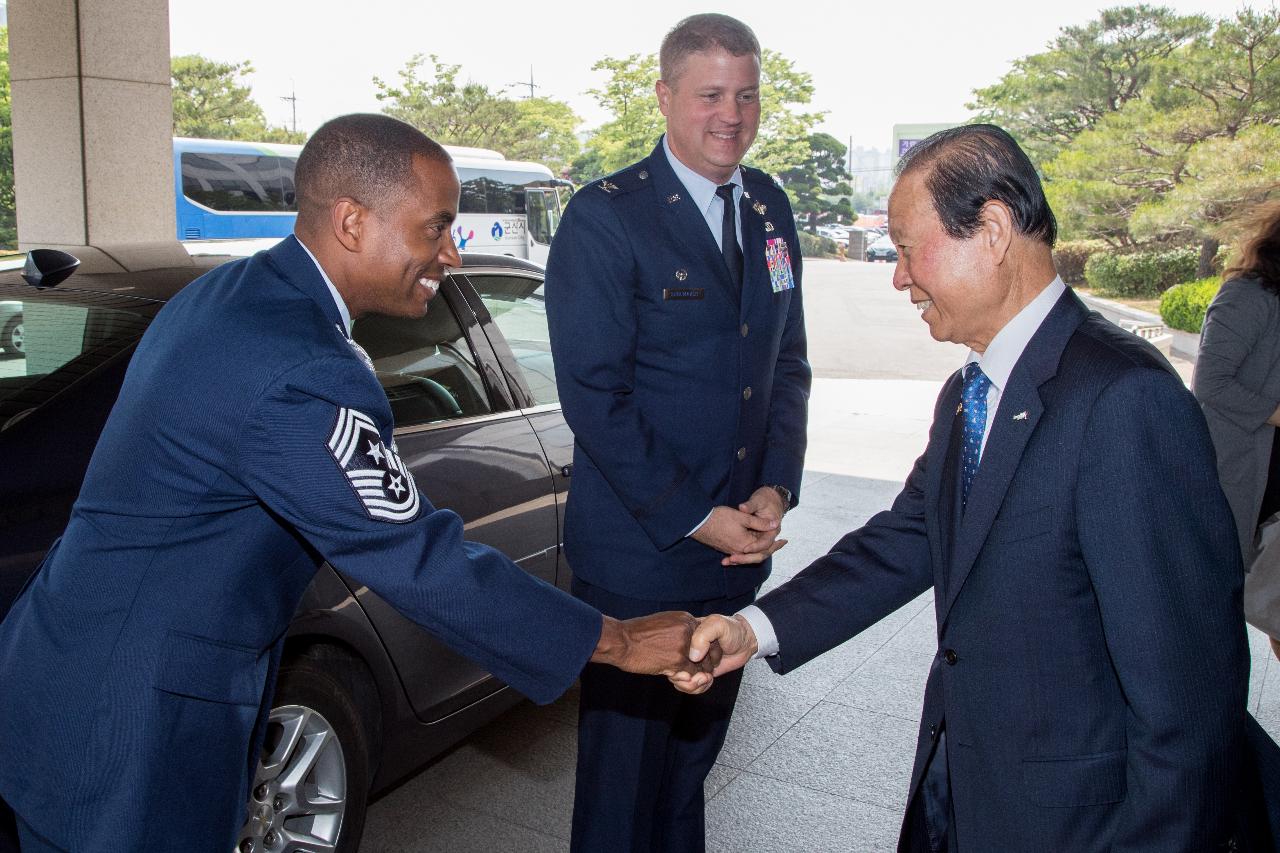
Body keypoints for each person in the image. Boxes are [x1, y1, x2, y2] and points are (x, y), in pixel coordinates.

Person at [0, 114, 711, 853]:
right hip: (130, 725)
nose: (451, 256)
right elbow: (419, 558)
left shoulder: (233, 293)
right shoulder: (301, 364)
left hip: (64, 676)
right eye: (435, 229)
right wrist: (619, 639)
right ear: (351, 222)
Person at [681, 124, 1250, 851]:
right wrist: (751, 629)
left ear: (992, 229)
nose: (896, 275)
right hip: (964, 789)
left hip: (1080, 821)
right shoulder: (968, 390)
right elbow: (908, 536)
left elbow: (1188, 696)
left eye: (909, 248)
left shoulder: (1124, 398)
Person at [544, 13, 810, 852]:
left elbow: (786, 365)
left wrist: (775, 487)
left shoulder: (769, 206)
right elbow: (595, 398)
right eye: (709, 95)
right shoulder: (606, 217)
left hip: (734, 558)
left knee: (691, 774)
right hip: (640, 560)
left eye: (747, 94)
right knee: (623, 789)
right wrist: (698, 514)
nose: (731, 114)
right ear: (665, 97)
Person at [1193, 200, 1280, 664]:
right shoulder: (1248, 295)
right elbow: (1210, 383)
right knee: (1223, 608)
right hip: (1242, 477)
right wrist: (1275, 413)